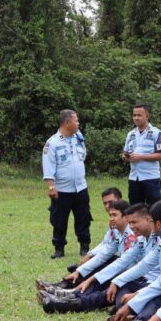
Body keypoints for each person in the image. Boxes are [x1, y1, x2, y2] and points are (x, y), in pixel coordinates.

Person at [38, 203, 152, 313]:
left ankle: (71, 296)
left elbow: (134, 267)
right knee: (105, 277)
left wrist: (116, 281)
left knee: (114, 295)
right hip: (134, 278)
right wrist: (83, 269)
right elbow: (108, 252)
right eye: (110, 215)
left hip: (141, 280)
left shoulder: (142, 239)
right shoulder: (138, 239)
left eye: (114, 215)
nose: (132, 226)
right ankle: (70, 295)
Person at [103, 199, 161, 321]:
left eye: (151, 221)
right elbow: (143, 265)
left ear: (158, 224)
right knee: (123, 288)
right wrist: (116, 282)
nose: (131, 226)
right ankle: (130, 316)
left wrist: (137, 295)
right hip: (157, 287)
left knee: (155, 306)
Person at [42, 109, 92, 259]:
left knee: (83, 218)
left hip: (80, 187)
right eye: (76, 120)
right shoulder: (52, 143)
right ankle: (59, 248)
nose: (78, 123)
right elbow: (48, 165)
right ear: (67, 122)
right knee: (59, 220)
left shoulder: (79, 138)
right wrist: (51, 186)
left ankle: (84, 247)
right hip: (61, 190)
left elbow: (82, 157)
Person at [122, 104, 161, 206]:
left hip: (150, 178)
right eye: (134, 115)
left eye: (139, 115)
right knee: (135, 209)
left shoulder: (156, 133)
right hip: (134, 178)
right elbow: (124, 154)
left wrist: (140, 157)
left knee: (154, 209)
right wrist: (126, 158)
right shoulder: (130, 134)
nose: (136, 118)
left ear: (147, 116)